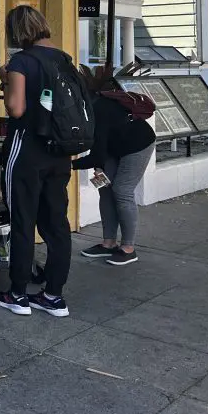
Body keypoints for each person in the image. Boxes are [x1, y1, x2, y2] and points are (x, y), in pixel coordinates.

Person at [0, 5, 74, 318]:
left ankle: (17, 293)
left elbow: (15, 108)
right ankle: (53, 295)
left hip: (27, 150)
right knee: (57, 224)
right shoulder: (64, 59)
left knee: (23, 221)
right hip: (59, 151)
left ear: (15, 32)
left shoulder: (22, 61)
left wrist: (5, 81)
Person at [73, 66, 155, 266]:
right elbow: (98, 149)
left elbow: (97, 153)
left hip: (138, 145)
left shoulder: (98, 109)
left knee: (122, 190)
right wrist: (97, 165)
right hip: (114, 147)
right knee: (104, 189)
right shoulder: (89, 107)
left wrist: (66, 164)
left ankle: (128, 247)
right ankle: (108, 243)